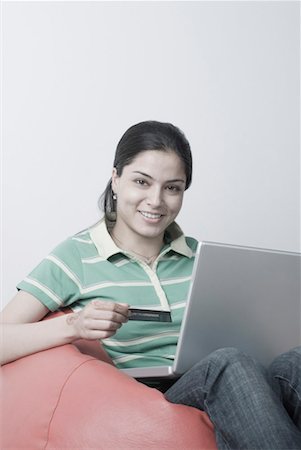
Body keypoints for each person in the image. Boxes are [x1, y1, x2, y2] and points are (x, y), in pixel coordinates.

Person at [1, 120, 300, 449]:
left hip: (235, 388)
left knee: (293, 362)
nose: (156, 200)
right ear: (115, 179)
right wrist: (75, 324)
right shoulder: (76, 257)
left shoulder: (203, 258)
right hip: (152, 398)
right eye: (142, 182)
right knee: (229, 362)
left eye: (172, 187)